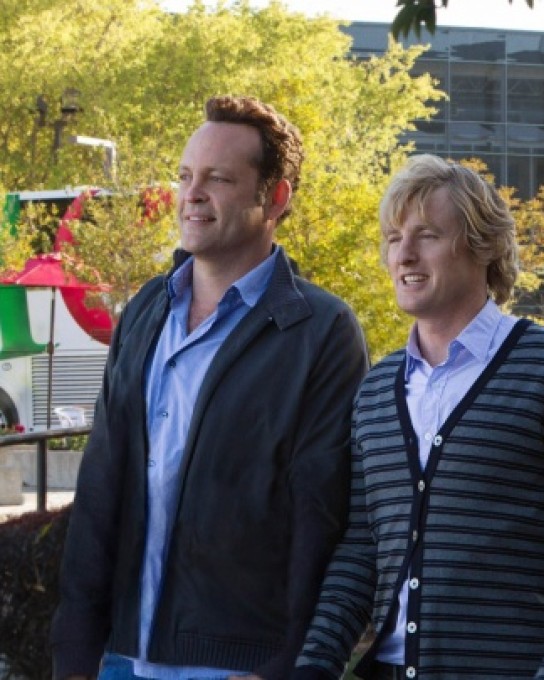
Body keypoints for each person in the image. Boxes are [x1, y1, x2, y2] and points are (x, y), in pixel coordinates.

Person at [50, 95, 370, 680]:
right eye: (185, 176)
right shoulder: (145, 311)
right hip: (117, 656)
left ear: (275, 198)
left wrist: (286, 666)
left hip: (237, 664)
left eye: (218, 179)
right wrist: (74, 653)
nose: (191, 194)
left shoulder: (320, 331)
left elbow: (322, 518)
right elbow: (100, 485)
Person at [294, 155, 544, 679]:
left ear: (483, 246)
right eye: (393, 238)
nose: (404, 253)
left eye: (427, 235)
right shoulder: (375, 391)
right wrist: (315, 664)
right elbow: (363, 547)